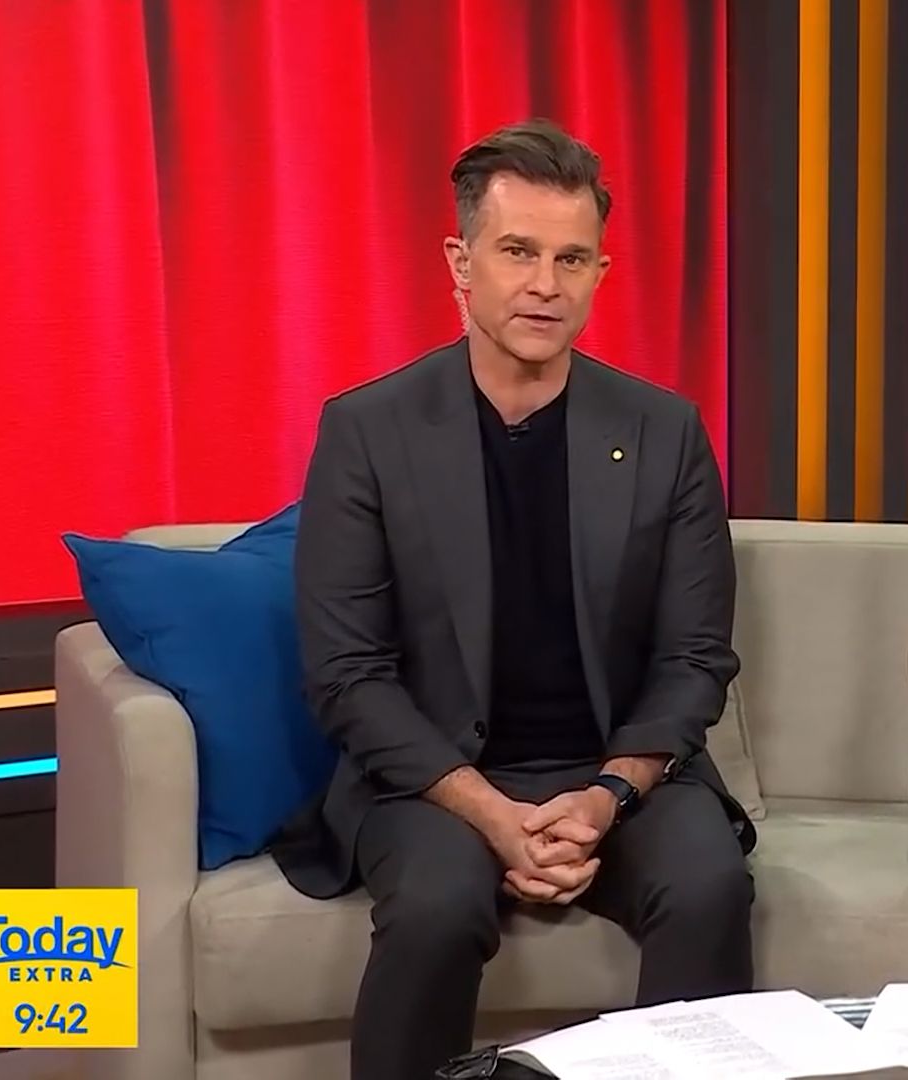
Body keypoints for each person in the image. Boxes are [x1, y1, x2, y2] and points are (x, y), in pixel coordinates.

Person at [277, 119, 756, 1080]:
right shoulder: (368, 430)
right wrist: (492, 812)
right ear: (461, 264)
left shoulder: (663, 431)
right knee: (436, 908)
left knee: (709, 885)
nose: (546, 284)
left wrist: (610, 792)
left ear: (601, 273)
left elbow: (694, 656)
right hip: (436, 775)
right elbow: (348, 674)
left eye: (571, 259)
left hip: (616, 770)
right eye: (518, 252)